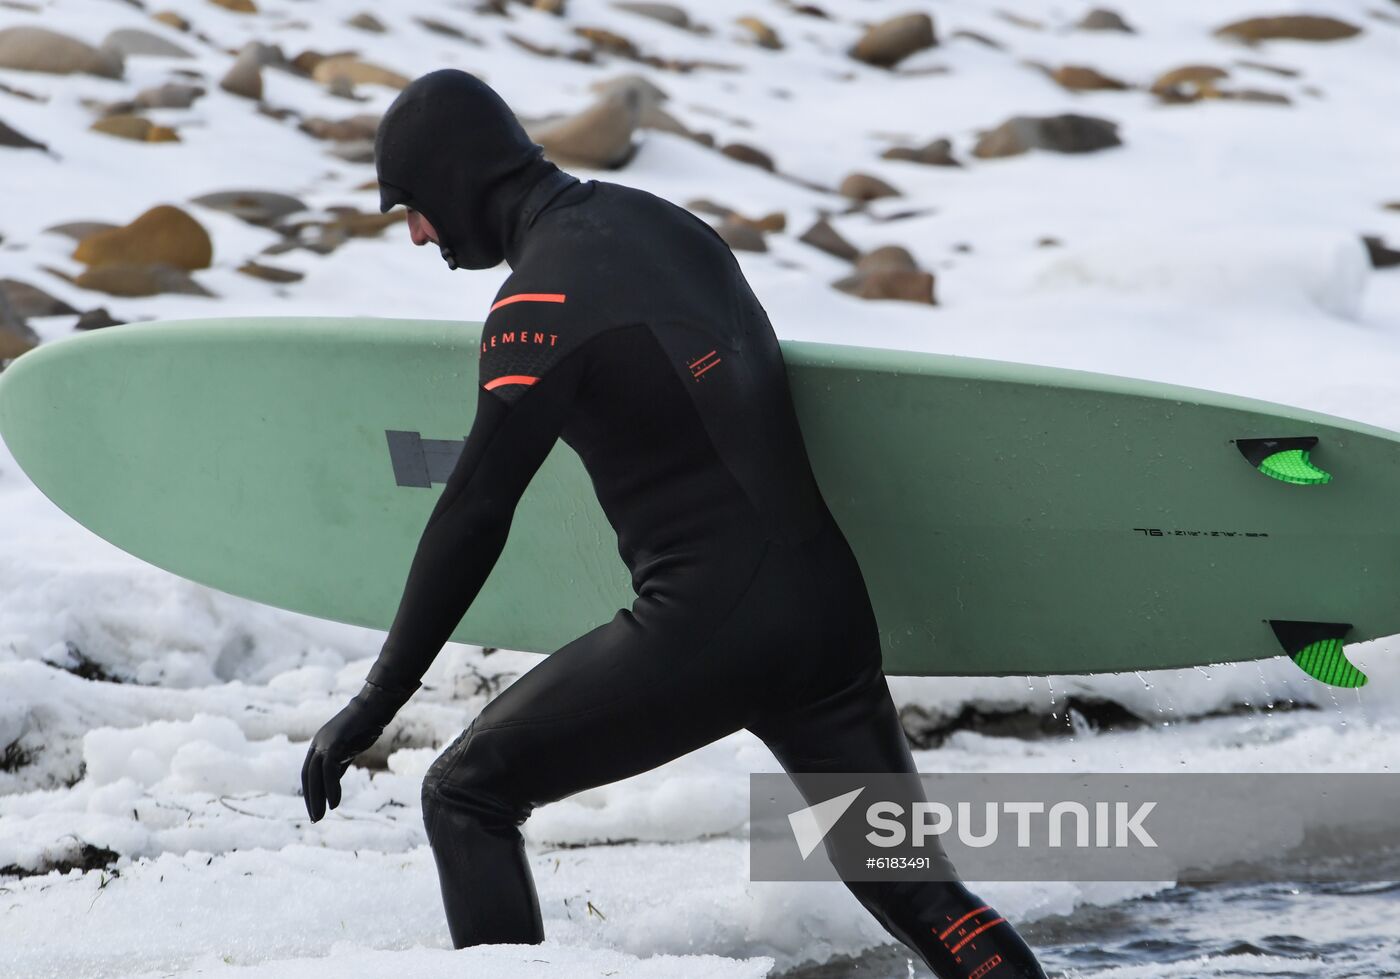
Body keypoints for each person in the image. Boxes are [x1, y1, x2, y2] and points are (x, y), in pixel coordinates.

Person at [300, 68, 1049, 979]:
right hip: (827, 616)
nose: (417, 230)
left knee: (466, 795)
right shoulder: (665, 223)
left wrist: (372, 705)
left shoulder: (534, 306)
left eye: (413, 206)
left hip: (711, 622)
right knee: (922, 895)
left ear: (458, 179)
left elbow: (474, 514)